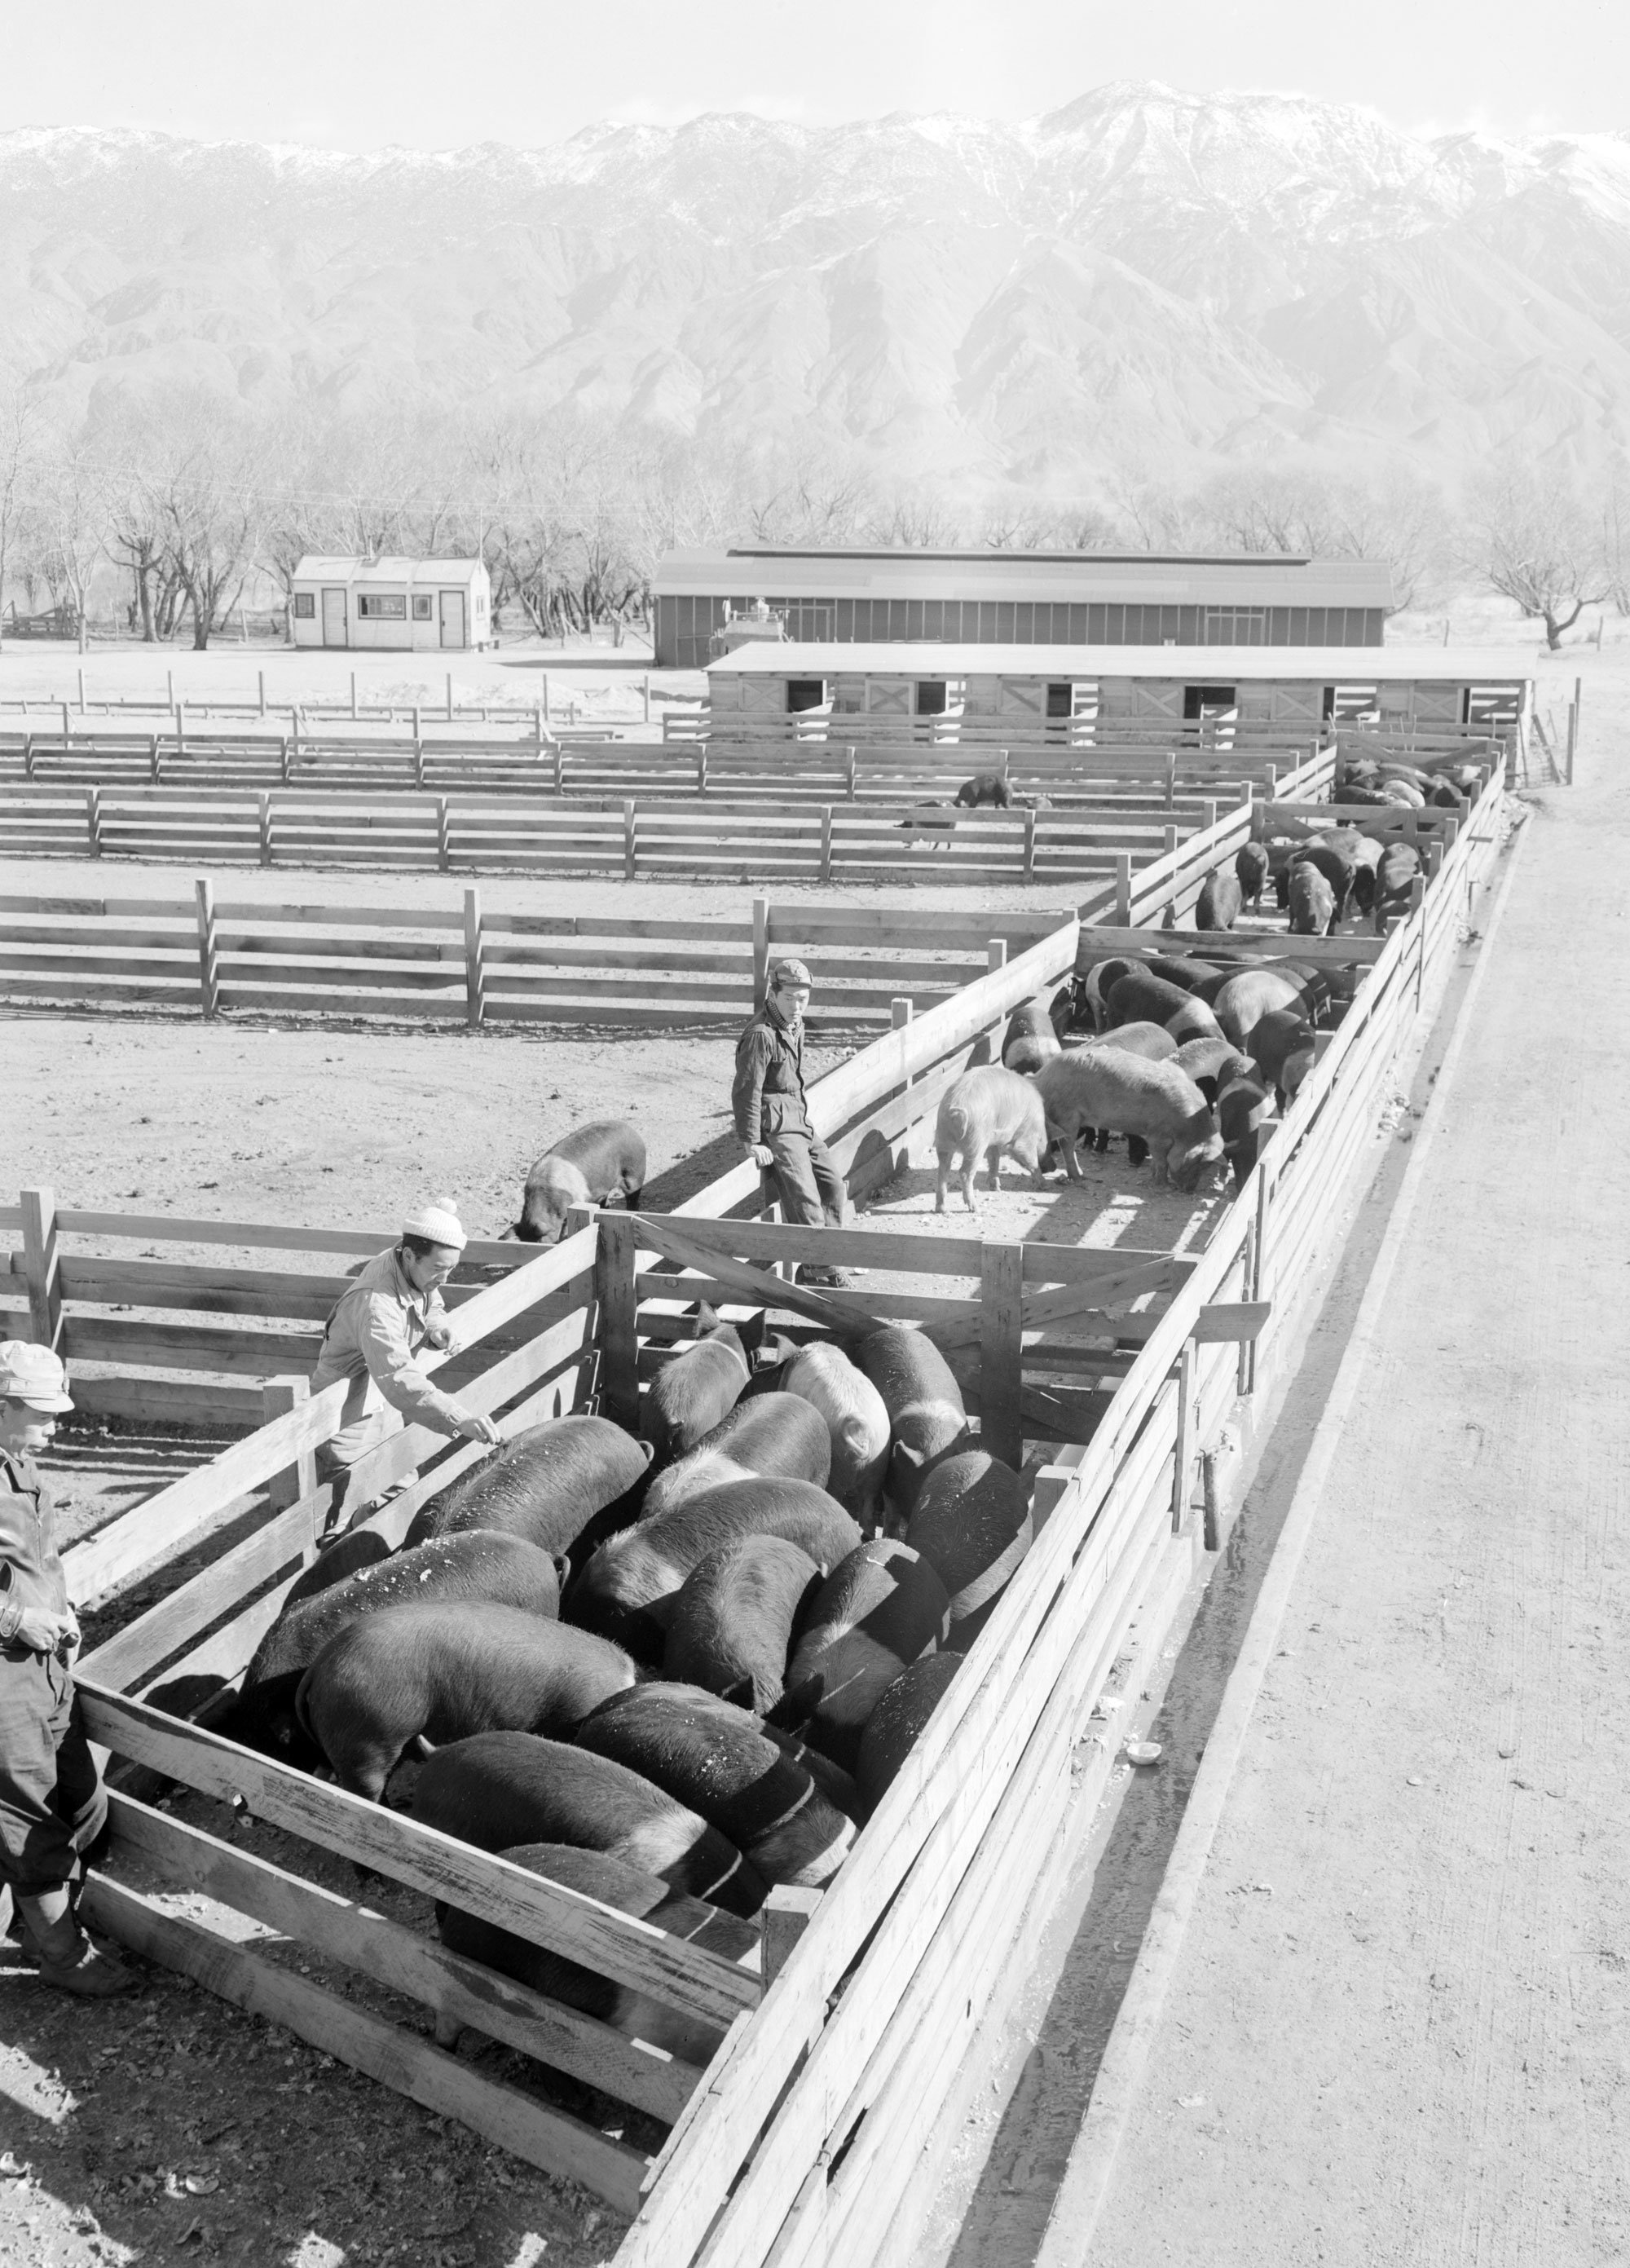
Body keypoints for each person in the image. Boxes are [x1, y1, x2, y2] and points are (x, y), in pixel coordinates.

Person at [0, 1342, 134, 1997]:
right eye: (41, 1411)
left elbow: (36, 1561)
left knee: (81, 1795)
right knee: (29, 1813)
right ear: (2, 1405)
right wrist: (15, 1621)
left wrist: (60, 1609)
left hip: (46, 1665)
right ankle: (59, 1954)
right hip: (4, 1676)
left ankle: (40, 1916)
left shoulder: (20, 1464)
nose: (56, 1424)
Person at [309, 1200, 503, 1507]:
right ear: (411, 1255)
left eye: (451, 1268)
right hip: (348, 1414)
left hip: (383, 1402)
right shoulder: (376, 1308)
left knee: (398, 1487)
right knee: (342, 1503)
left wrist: (435, 1326)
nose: (445, 1279)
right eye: (439, 1269)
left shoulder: (405, 1263)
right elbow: (399, 1376)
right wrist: (459, 1419)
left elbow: (429, 1295)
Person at [733, 959, 861, 1289]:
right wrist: (752, 1141)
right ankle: (825, 1271)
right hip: (776, 1124)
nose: (797, 1005)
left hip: (800, 1118)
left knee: (832, 1184)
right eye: (789, 998)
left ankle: (824, 1260)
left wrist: (801, 1117)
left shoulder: (795, 1025)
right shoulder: (761, 1035)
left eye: (803, 998)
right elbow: (747, 1089)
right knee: (804, 1198)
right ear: (773, 994)